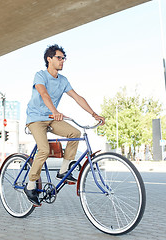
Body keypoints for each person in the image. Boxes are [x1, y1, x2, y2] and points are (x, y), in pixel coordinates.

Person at [24, 44, 105, 206]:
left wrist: (94, 114)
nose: (62, 61)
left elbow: (77, 97)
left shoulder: (63, 80)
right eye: (59, 58)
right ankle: (30, 184)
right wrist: (54, 110)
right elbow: (44, 94)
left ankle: (63, 171)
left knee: (75, 133)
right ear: (49, 59)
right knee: (44, 149)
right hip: (36, 119)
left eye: (63, 58)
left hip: (52, 117)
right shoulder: (40, 75)